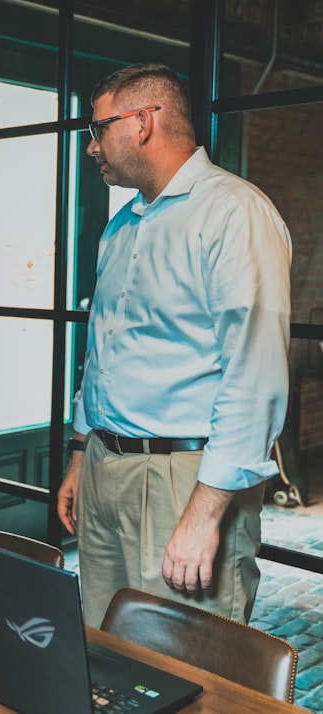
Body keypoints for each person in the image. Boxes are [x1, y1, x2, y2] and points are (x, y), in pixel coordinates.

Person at [58, 63, 292, 628]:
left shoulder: (234, 212)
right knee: (102, 650)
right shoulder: (121, 227)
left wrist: (205, 514)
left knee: (188, 667)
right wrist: (80, 453)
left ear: (141, 122)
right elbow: (105, 352)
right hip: (104, 470)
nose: (92, 147)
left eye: (98, 129)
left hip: (184, 478)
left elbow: (255, 377)